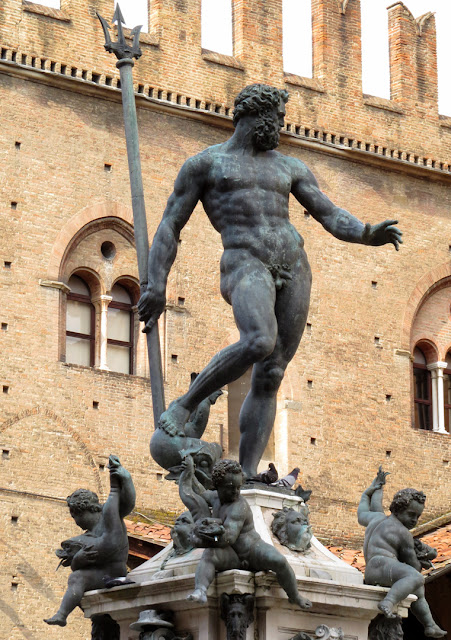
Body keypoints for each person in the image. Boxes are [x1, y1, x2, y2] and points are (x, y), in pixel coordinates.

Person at [138, 83, 403, 478]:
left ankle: (246, 477)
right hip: (246, 263)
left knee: (273, 371)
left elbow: (330, 215)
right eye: (276, 119)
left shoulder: (290, 168)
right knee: (259, 340)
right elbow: (170, 225)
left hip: (294, 265)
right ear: (252, 116)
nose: (280, 126)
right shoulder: (206, 165)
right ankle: (186, 404)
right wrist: (156, 284)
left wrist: (365, 233)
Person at [178, 455, 311, 609]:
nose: (235, 491)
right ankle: (200, 590)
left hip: (252, 550)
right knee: (209, 555)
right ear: (218, 486)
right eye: (230, 487)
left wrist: (199, 540)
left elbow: (228, 537)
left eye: (238, 487)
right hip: (232, 555)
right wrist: (189, 472)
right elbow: (199, 492)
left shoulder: (238, 506)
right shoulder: (215, 498)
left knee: (279, 561)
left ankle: (295, 595)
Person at [44, 455, 136, 627]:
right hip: (100, 575)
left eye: (75, 516)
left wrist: (126, 478)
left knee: (77, 576)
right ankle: (62, 614)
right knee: (77, 578)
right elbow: (80, 563)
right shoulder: (85, 537)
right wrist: (78, 560)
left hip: (116, 570)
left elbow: (128, 502)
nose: (76, 521)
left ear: (86, 509)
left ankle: (63, 614)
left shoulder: (109, 516)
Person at [357, 468, 446, 638]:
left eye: (417, 517)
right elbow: (413, 566)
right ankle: (389, 602)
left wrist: (372, 491)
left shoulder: (376, 518)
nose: (414, 520)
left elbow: (362, 512)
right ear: (398, 510)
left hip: (373, 570)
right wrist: (422, 559)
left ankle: (430, 625)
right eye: (411, 514)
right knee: (417, 579)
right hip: (384, 567)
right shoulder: (403, 533)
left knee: (418, 590)